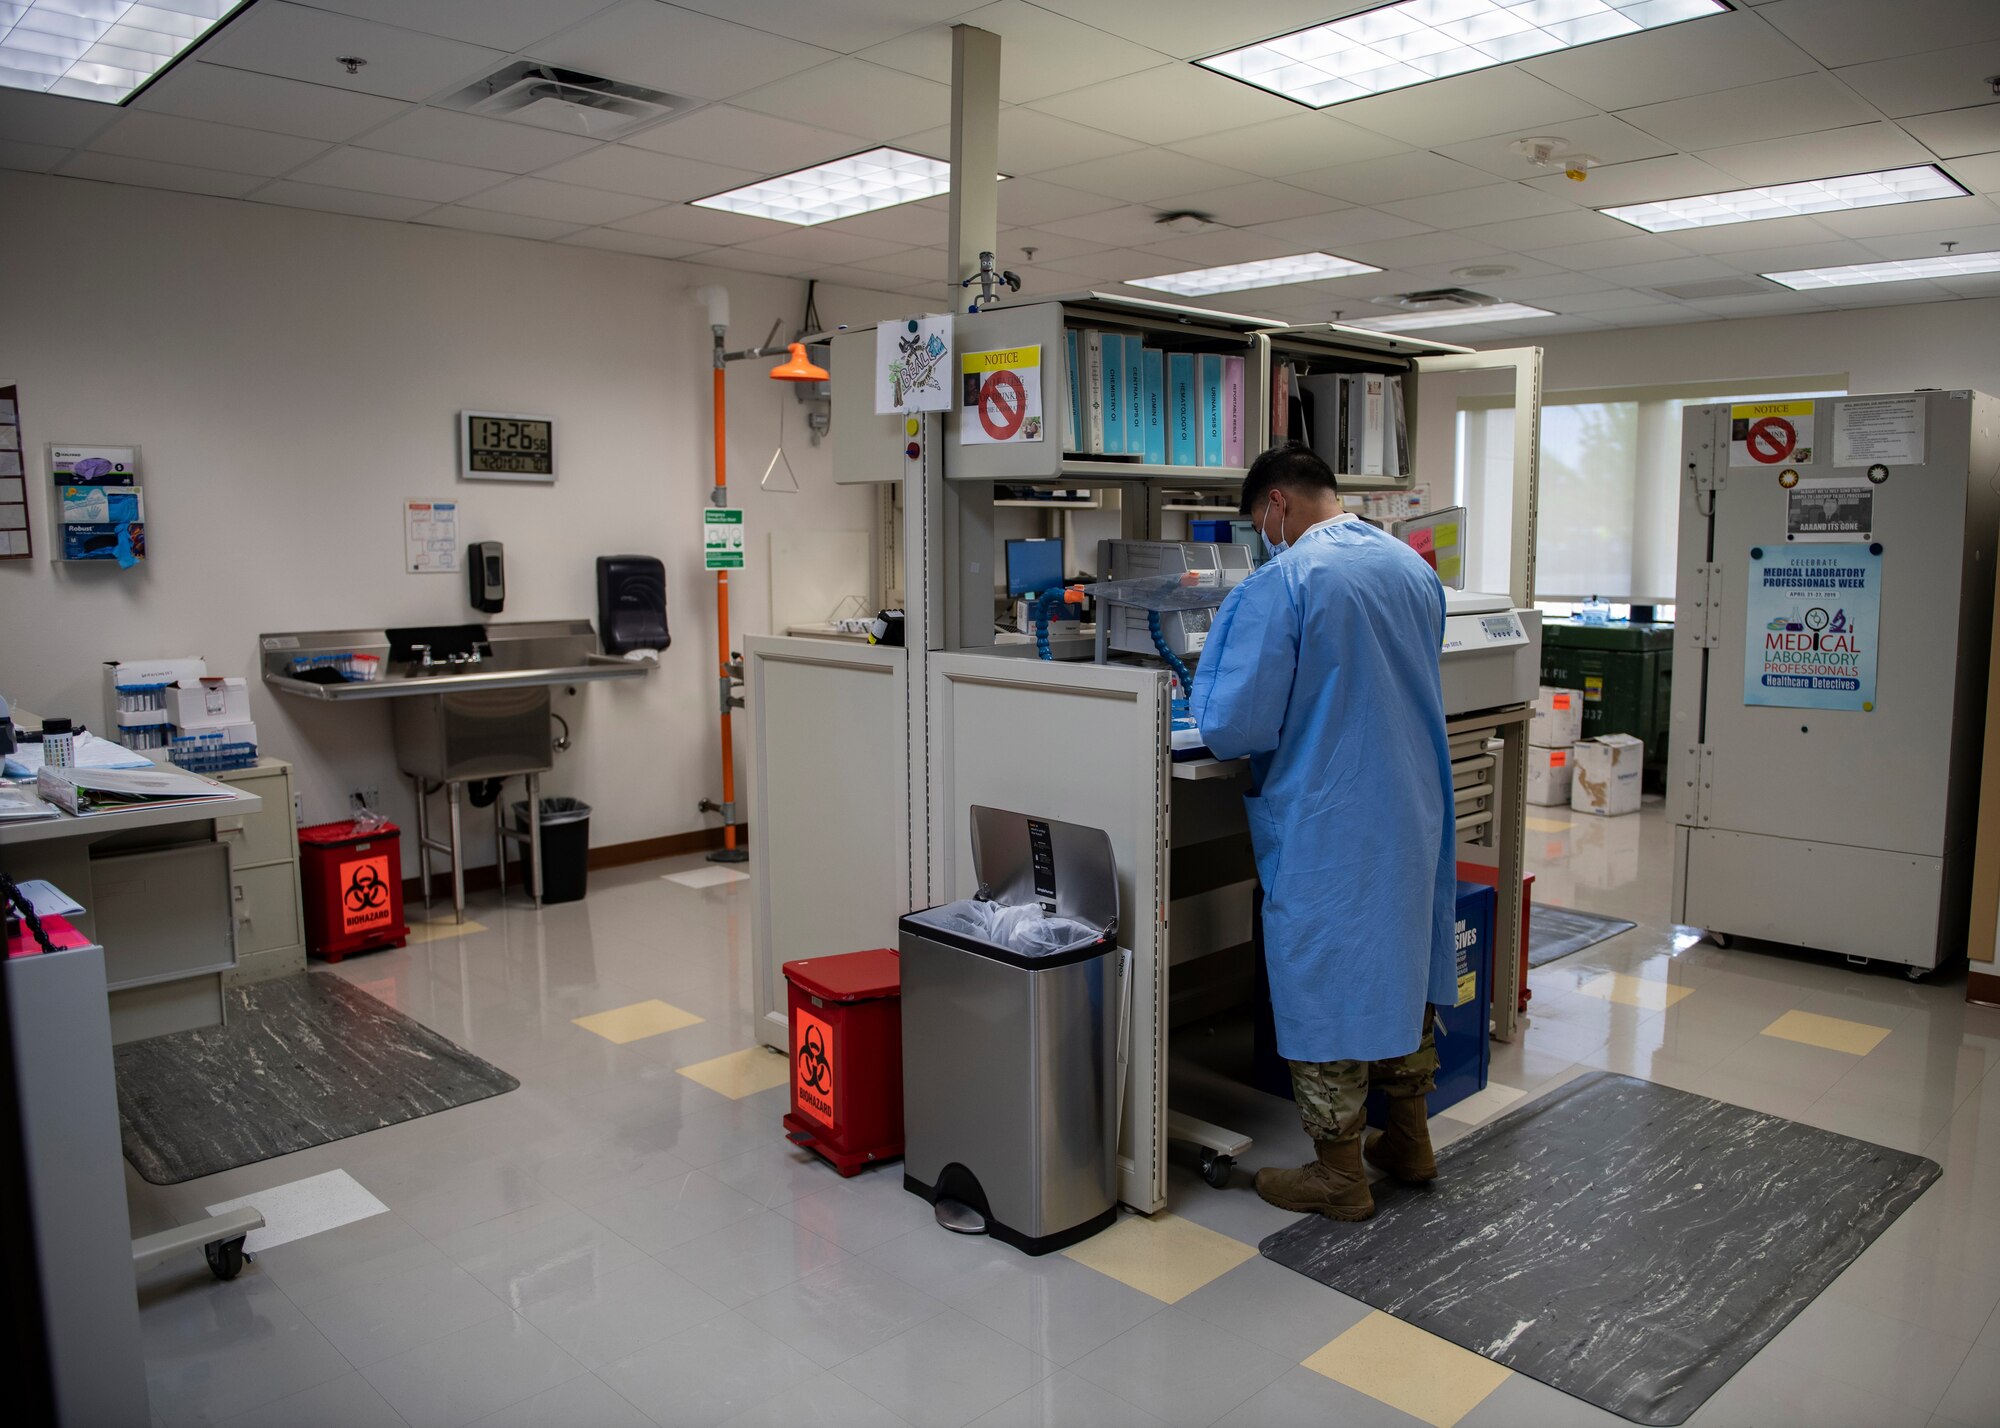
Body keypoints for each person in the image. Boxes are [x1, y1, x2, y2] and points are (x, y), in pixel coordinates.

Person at [1190, 444, 1457, 1221]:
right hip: (1409, 803)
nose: (1261, 537)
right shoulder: (1410, 567)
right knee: (1401, 968)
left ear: (1276, 506)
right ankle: (1408, 1140)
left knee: (1325, 975)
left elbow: (1234, 724)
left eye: (1258, 523)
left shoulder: (1291, 579)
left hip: (1330, 814)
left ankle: (1340, 1174)